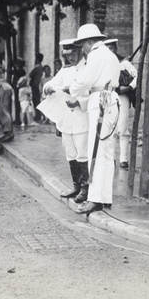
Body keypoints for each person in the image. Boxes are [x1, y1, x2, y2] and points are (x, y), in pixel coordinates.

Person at [68, 24, 120, 214]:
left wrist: (72, 87)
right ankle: (105, 197)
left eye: (82, 44)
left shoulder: (97, 55)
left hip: (101, 103)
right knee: (106, 153)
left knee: (95, 153)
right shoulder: (110, 55)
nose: (82, 49)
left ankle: (95, 198)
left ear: (89, 42)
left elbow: (85, 80)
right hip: (111, 101)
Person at [43, 39, 90, 202]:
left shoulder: (88, 69)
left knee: (82, 154)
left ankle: (85, 189)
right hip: (66, 120)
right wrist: (47, 88)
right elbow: (52, 83)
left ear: (80, 51)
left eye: (73, 54)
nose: (70, 58)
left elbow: (94, 94)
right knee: (70, 154)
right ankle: (76, 186)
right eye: (67, 55)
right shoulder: (66, 71)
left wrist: (79, 102)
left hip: (81, 118)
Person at [104, 38, 138, 169]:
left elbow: (137, 75)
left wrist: (129, 87)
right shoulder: (104, 65)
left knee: (122, 128)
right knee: (109, 128)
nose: (110, 52)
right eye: (107, 49)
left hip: (122, 97)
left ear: (116, 49)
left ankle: (123, 159)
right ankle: (111, 158)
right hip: (108, 96)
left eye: (111, 48)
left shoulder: (124, 63)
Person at [29, 53, 44, 121]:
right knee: (36, 100)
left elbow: (30, 74)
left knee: (36, 101)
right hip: (36, 85)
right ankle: (38, 115)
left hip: (35, 86)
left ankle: (38, 116)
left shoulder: (37, 67)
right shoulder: (40, 67)